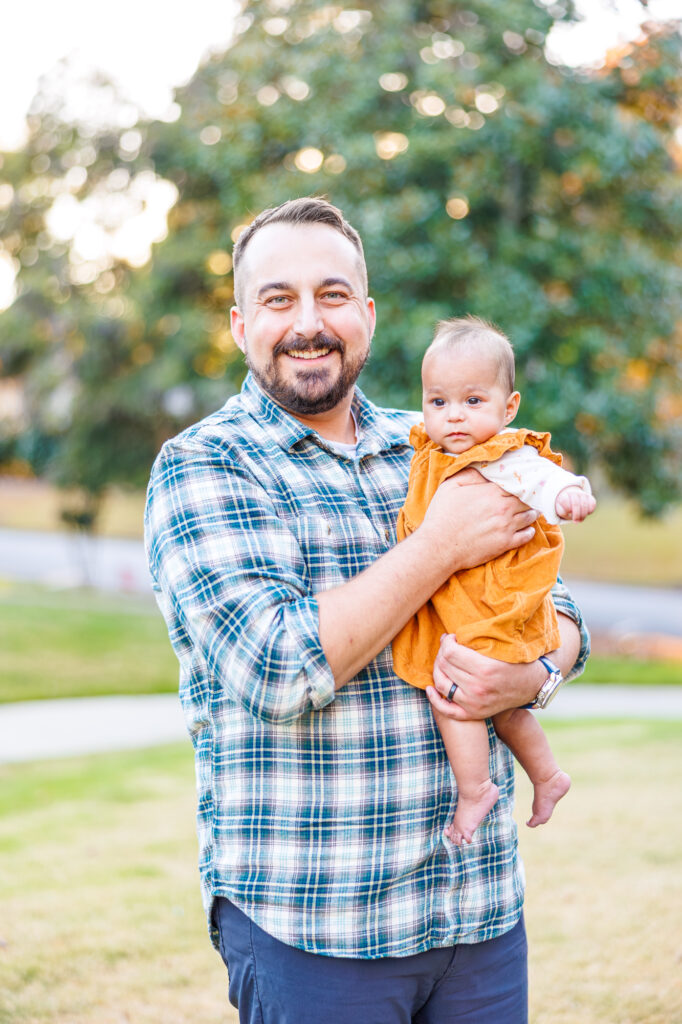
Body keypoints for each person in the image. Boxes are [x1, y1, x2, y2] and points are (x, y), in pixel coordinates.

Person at [144, 197, 590, 1024]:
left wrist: (530, 674)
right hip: (318, 933)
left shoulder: (442, 444)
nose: (308, 322)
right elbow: (277, 668)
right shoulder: (203, 466)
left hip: (479, 918)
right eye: (279, 300)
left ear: (369, 315)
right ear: (241, 324)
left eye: (333, 295)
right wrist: (441, 546)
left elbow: (561, 614)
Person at [392, 315, 596, 846]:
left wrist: (567, 495)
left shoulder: (501, 455)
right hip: (466, 604)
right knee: (501, 711)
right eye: (438, 402)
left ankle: (475, 788)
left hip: (492, 604)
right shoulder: (429, 455)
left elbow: (541, 478)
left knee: (452, 697)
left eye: (473, 402)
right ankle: (548, 775)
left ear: (508, 409)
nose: (454, 416)